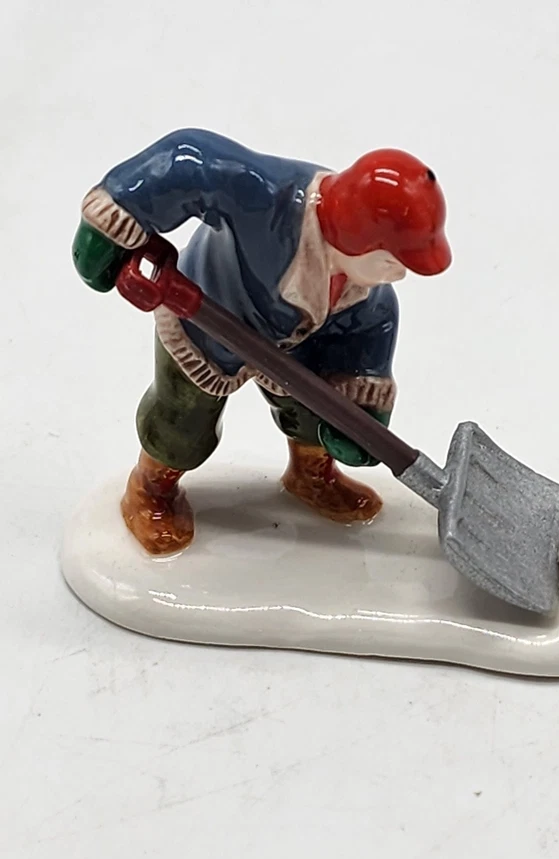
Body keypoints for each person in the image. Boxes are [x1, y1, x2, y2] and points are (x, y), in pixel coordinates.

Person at [72, 129, 451, 555]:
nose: (398, 275)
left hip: (295, 345)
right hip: (206, 319)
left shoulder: (367, 292)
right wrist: (111, 223)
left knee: (317, 408)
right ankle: (150, 489)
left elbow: (371, 334)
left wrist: (363, 416)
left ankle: (311, 476)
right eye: (392, 262)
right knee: (182, 421)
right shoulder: (266, 198)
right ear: (359, 239)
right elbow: (188, 161)